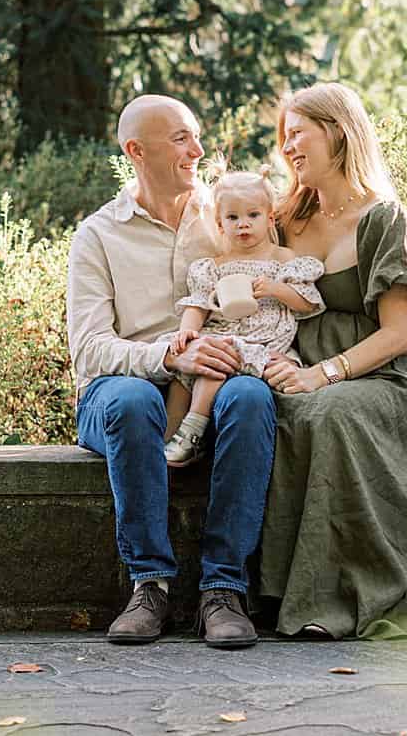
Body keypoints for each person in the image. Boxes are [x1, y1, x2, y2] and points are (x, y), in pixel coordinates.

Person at [259, 81, 407, 638]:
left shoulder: (385, 219)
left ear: (336, 131)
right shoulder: (285, 218)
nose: (287, 147)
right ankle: (254, 595)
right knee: (257, 408)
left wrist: (321, 374)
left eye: (297, 134)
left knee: (327, 413)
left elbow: (399, 335)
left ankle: (336, 601)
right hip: (296, 367)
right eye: (284, 137)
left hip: (388, 379)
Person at [66, 95, 273, 649]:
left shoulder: (226, 218)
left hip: (213, 387)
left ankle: (224, 589)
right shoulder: (98, 235)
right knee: (135, 401)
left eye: (196, 136)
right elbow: (88, 349)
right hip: (118, 396)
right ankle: (149, 585)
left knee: (252, 399)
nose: (198, 151)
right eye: (182, 138)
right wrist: (166, 356)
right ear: (137, 151)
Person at [163, 171, 326, 467]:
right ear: (220, 224)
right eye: (233, 218)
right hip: (223, 335)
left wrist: (276, 289)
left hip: (269, 341)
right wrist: (186, 332)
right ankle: (167, 443)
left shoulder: (283, 259)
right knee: (183, 379)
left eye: (253, 215)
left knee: (216, 366)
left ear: (270, 219)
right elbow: (199, 305)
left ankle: (192, 430)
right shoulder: (213, 266)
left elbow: (308, 302)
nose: (243, 224)